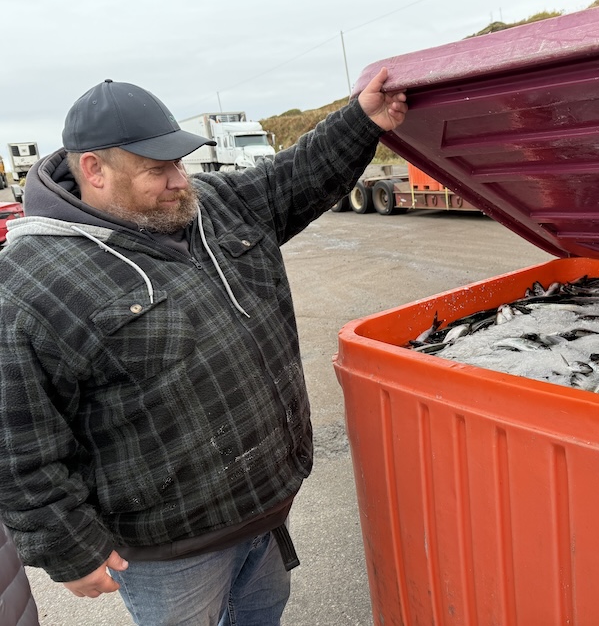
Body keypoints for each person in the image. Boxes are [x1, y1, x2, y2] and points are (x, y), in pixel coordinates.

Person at [0, 69, 407, 625]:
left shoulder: (209, 205)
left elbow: (298, 174)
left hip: (263, 510)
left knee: (261, 613)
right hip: (170, 553)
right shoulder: (29, 285)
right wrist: (68, 548)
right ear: (94, 169)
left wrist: (364, 120)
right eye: (157, 169)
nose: (179, 181)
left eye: (179, 163)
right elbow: (17, 443)